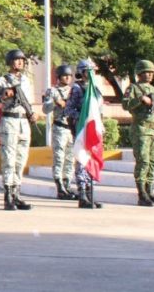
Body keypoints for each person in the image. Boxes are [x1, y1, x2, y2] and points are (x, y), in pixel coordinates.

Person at [0, 48, 42, 211]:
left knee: (20, 161)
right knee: (9, 160)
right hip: (9, 120)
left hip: (24, 122)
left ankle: (17, 194)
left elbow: (28, 102)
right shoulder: (1, 81)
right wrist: (2, 96)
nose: (20, 62)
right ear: (10, 62)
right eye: (17, 60)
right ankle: (8, 196)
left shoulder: (26, 81)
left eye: (22, 60)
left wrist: (33, 114)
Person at [123, 59, 154, 207]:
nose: (149, 75)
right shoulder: (133, 88)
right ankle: (142, 194)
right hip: (141, 129)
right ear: (139, 73)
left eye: (151, 73)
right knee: (143, 162)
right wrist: (140, 99)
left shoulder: (153, 89)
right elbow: (125, 105)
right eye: (146, 72)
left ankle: (150, 192)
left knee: (153, 162)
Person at [66, 59, 102, 209]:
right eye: (88, 71)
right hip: (82, 129)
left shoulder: (95, 88)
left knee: (91, 160)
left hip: (93, 129)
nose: (91, 73)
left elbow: (98, 110)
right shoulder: (77, 88)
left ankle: (89, 193)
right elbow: (68, 110)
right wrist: (82, 118)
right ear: (82, 72)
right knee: (82, 161)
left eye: (93, 70)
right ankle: (82, 195)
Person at [42, 64, 76, 200]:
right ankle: (60, 187)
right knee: (59, 158)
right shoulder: (53, 91)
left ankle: (67, 185)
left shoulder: (74, 91)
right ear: (59, 77)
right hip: (60, 127)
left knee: (70, 159)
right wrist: (56, 103)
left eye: (69, 76)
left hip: (71, 128)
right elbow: (45, 109)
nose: (67, 78)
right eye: (64, 75)